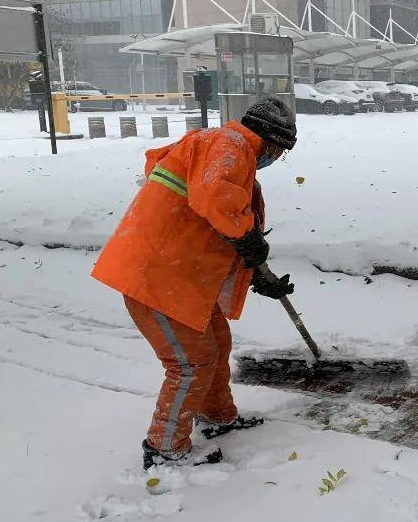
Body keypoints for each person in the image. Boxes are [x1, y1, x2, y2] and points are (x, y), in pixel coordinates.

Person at [91, 96, 299, 469]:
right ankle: (165, 447)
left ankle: (217, 416)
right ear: (271, 141)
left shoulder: (231, 160)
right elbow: (218, 205)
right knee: (192, 362)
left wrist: (255, 276)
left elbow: (221, 227)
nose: (277, 159)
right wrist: (248, 237)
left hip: (180, 278)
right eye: (281, 151)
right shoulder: (228, 145)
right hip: (154, 279)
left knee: (217, 344)